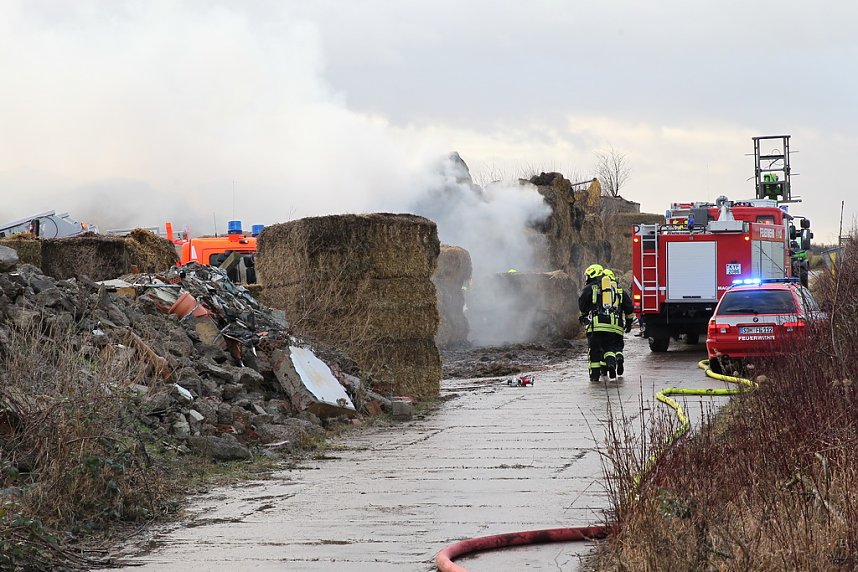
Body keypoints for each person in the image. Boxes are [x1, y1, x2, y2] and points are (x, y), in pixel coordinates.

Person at [578, 263, 623, 381]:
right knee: (608, 348)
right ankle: (611, 364)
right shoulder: (612, 288)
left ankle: (595, 376)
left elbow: (582, 305)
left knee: (594, 351)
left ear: (592, 274)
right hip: (612, 325)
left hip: (597, 326)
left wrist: (584, 316)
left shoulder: (590, 288)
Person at [602, 269, 635, 376]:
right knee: (618, 346)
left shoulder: (599, 292)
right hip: (618, 326)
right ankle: (619, 357)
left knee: (608, 347)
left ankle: (611, 364)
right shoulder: (620, 292)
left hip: (605, 325)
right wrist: (629, 322)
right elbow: (629, 308)